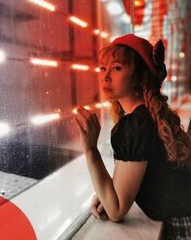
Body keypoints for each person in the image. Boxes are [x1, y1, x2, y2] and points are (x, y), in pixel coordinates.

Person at [73, 34, 191, 239]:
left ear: (138, 76)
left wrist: (90, 149)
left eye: (117, 68)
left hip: (181, 228)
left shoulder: (135, 124)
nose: (106, 76)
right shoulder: (146, 116)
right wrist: (106, 192)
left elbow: (116, 209)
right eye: (103, 68)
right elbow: (130, 182)